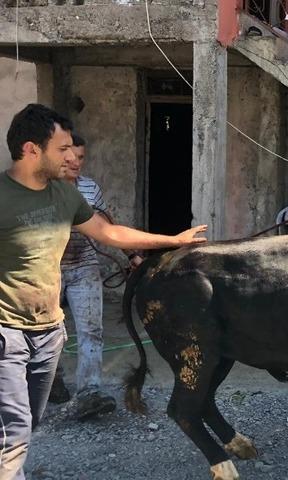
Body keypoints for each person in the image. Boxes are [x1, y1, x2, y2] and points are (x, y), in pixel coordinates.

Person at [0, 104, 207, 480]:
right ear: (32, 150)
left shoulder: (64, 196)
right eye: (62, 149)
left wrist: (172, 239)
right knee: (12, 429)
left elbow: (109, 232)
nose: (71, 157)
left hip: (48, 332)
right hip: (6, 332)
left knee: (26, 422)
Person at [46, 134, 144, 420]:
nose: (75, 162)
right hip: (48, 269)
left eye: (81, 157)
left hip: (84, 267)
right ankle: (51, 381)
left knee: (91, 331)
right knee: (48, 333)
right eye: (70, 156)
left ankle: (90, 391)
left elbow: (107, 226)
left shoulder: (89, 188)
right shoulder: (42, 188)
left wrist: (132, 256)